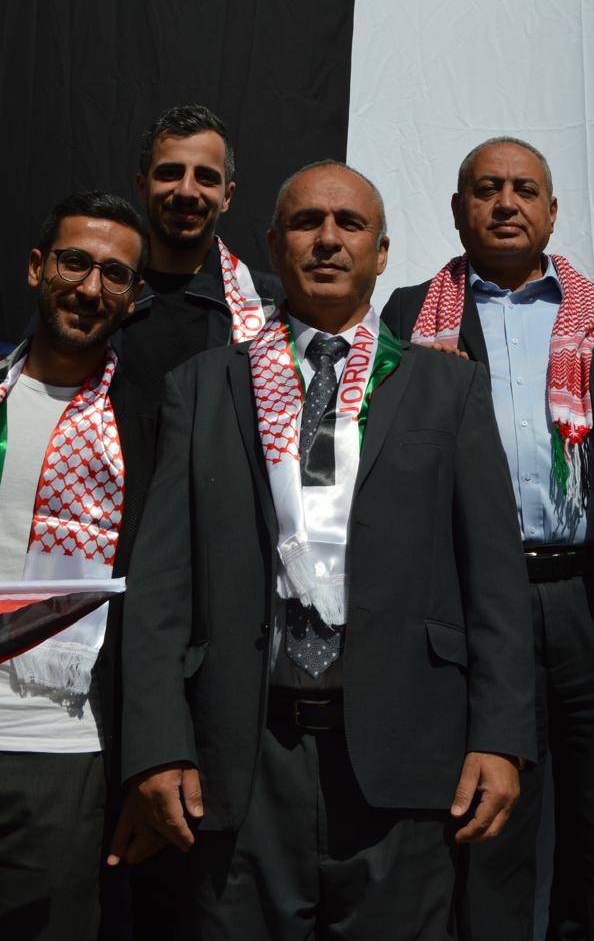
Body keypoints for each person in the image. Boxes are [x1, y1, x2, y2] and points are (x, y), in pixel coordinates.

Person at [108, 160, 536, 941]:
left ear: (381, 252)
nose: (328, 239)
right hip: (242, 754)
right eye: (307, 222)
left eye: (350, 224)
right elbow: (162, 582)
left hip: (406, 754)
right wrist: (157, 745)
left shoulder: (448, 390)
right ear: (274, 245)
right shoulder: (202, 388)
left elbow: (496, 583)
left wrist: (501, 737)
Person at [382, 137, 594, 941]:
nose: (506, 203)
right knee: (488, 828)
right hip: (473, 608)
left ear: (552, 211)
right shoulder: (410, 315)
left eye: (524, 189)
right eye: (486, 188)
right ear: (457, 208)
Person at [0, 192, 157, 941]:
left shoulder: (153, 423)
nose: (91, 288)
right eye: (74, 263)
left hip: (61, 752)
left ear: (133, 295)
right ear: (37, 266)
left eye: (115, 274)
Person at [113, 103, 281, 398]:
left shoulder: (273, 306)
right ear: (142, 187)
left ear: (227, 196)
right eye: (170, 173)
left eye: (205, 177)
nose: (187, 191)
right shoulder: (98, 291)